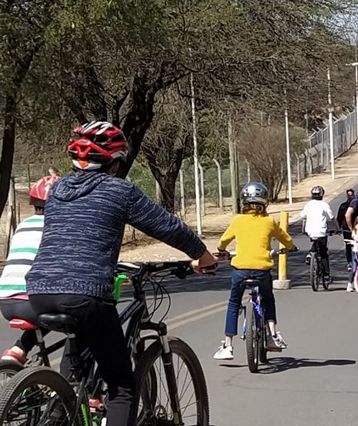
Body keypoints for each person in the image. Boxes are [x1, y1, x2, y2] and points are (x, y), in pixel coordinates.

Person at [25, 121, 217, 426]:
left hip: (39, 291)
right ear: (114, 162)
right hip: (85, 293)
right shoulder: (118, 190)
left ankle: (63, 410)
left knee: (81, 350)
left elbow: (76, 236)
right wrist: (203, 256)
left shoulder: (58, 188)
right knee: (123, 386)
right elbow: (168, 226)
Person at [214, 182, 296, 360]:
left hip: (240, 270)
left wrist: (223, 251)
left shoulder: (237, 220)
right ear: (264, 203)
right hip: (262, 271)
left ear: (243, 202)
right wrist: (291, 247)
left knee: (234, 304)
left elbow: (222, 242)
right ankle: (273, 336)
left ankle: (228, 345)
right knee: (268, 300)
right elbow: (286, 239)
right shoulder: (269, 222)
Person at [0, 175, 59, 364]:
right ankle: (72, 385)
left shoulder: (23, 226)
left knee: (41, 311)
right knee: (82, 322)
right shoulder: (57, 227)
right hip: (33, 301)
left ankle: (19, 349)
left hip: (5, 300)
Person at [301, 186, 335, 282]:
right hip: (321, 231)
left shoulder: (308, 204)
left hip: (310, 231)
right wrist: (336, 229)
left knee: (315, 242)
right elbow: (331, 218)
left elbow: (302, 215)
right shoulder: (324, 205)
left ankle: (310, 254)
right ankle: (326, 275)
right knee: (324, 253)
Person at [336, 188, 355, 271]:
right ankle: (350, 262)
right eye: (349, 195)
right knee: (348, 246)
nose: (350, 197)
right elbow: (339, 218)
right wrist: (338, 228)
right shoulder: (343, 206)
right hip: (346, 229)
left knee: (356, 246)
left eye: (351, 195)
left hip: (356, 229)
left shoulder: (356, 205)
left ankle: (356, 262)